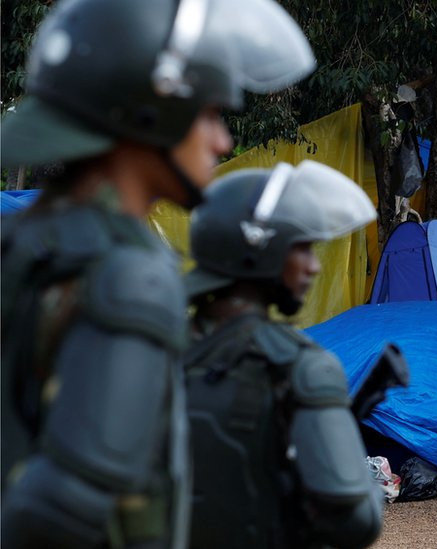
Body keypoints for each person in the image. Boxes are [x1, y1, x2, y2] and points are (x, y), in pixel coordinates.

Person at [0, 0, 314, 547]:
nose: (224, 142)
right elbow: (66, 509)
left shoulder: (27, 242)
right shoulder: (131, 274)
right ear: (153, 108)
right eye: (212, 115)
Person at [182, 161, 384, 549]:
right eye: (303, 247)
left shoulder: (150, 349)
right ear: (260, 247)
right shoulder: (301, 367)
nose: (314, 266)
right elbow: (356, 521)